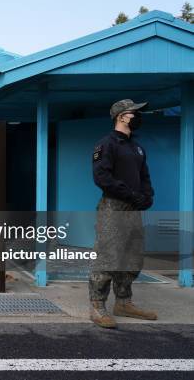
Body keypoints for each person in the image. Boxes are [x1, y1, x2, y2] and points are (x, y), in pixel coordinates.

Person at [89, 99, 158, 329]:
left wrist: (147, 196)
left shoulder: (136, 147)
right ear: (121, 116)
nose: (138, 116)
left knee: (132, 256)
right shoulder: (106, 144)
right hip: (114, 207)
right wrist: (131, 195)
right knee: (108, 256)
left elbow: (145, 176)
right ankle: (98, 306)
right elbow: (102, 178)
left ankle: (124, 302)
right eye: (134, 113)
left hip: (134, 208)